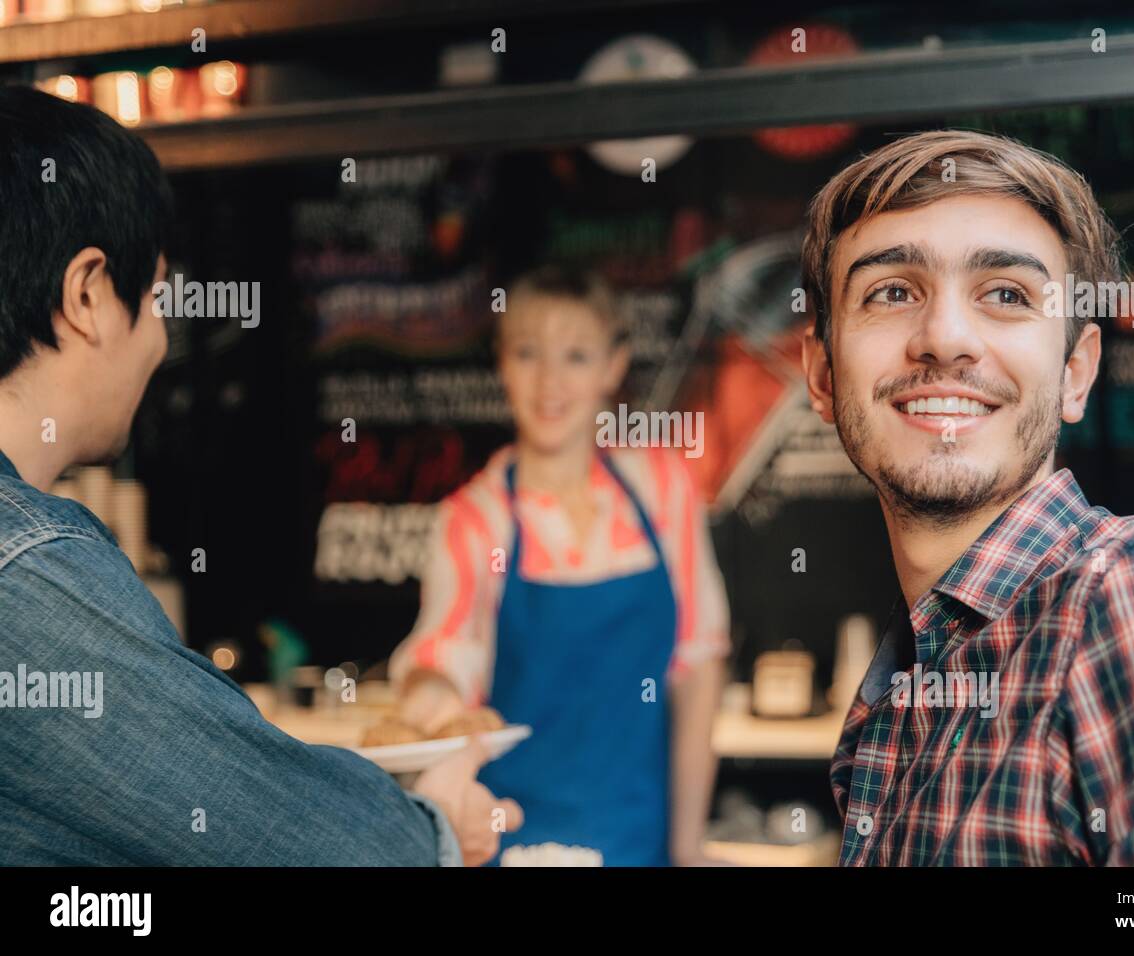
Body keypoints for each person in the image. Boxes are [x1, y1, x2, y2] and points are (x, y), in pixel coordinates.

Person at [0, 87, 521, 865]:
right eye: (154, 299)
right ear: (87, 295)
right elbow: (299, 839)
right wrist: (433, 824)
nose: (158, 340)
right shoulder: (27, 571)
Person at [800, 129, 1134, 865]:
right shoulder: (910, 682)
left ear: (1075, 373)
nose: (944, 337)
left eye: (1006, 294)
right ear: (821, 375)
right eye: (893, 292)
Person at [388, 266, 730, 866]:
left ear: (612, 365)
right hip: (511, 844)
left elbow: (697, 671)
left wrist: (687, 847)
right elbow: (440, 659)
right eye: (528, 353)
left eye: (576, 355)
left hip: (640, 841)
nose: (550, 381)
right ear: (502, 364)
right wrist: (438, 711)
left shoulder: (661, 489)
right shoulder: (476, 518)